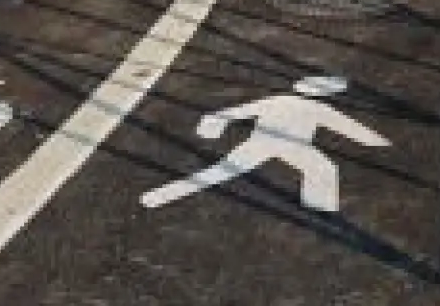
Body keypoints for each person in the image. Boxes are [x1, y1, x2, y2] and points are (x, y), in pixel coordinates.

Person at [140, 75, 388, 212]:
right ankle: (319, 207)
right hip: (294, 146)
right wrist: (377, 142)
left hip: (261, 143)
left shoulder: (277, 100)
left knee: (218, 173)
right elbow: (351, 128)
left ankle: (158, 196)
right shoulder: (319, 108)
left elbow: (234, 112)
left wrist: (211, 129)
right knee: (322, 168)